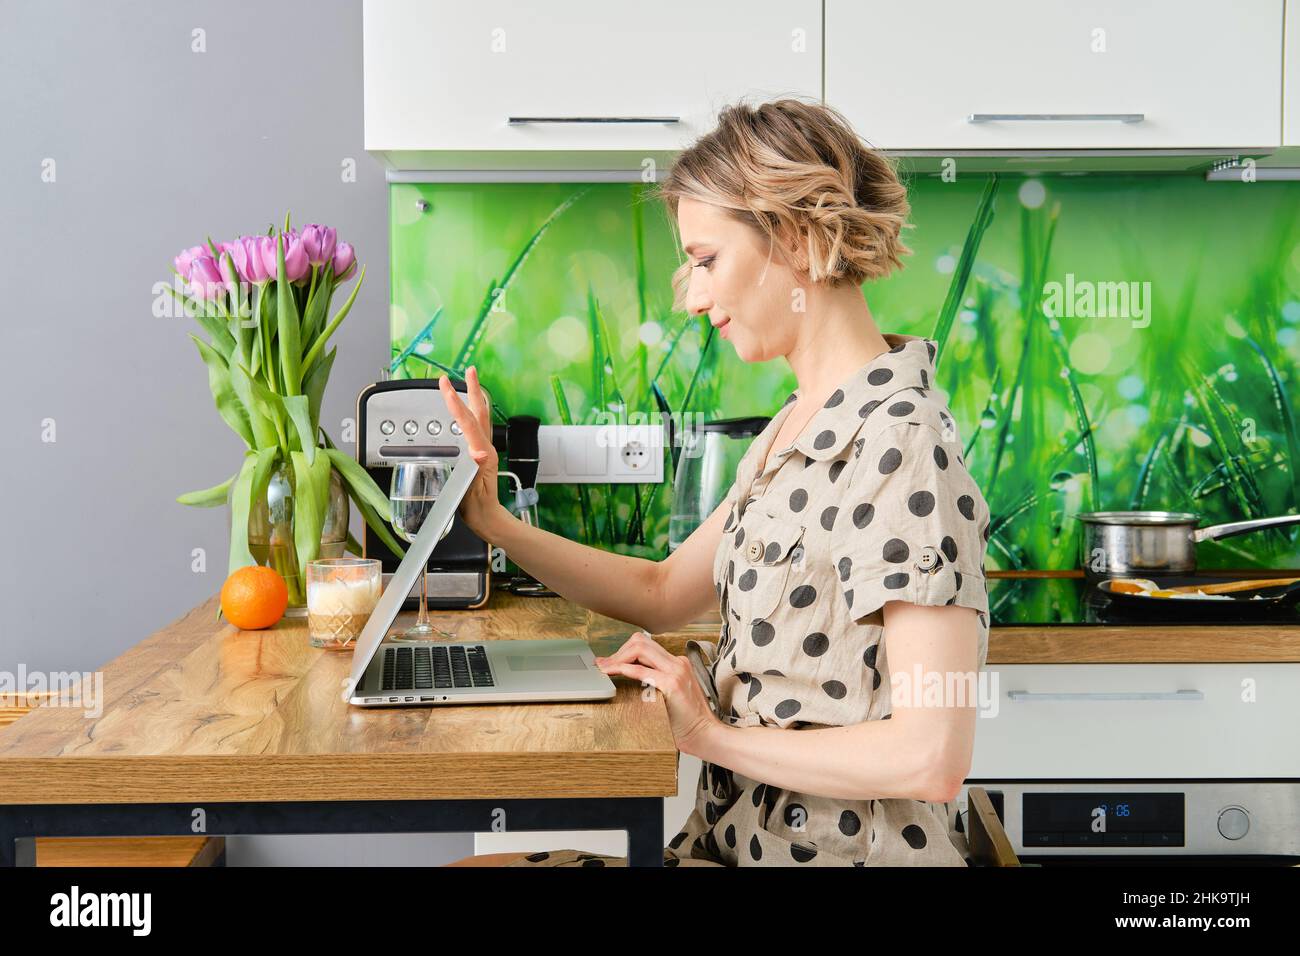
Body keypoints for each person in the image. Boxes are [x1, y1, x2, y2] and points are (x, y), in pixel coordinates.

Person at [437, 96, 992, 867]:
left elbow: (931, 755)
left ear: (795, 238)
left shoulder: (900, 446)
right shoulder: (799, 425)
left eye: (706, 261)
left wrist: (710, 736)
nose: (693, 298)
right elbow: (665, 590)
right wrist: (494, 521)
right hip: (729, 847)